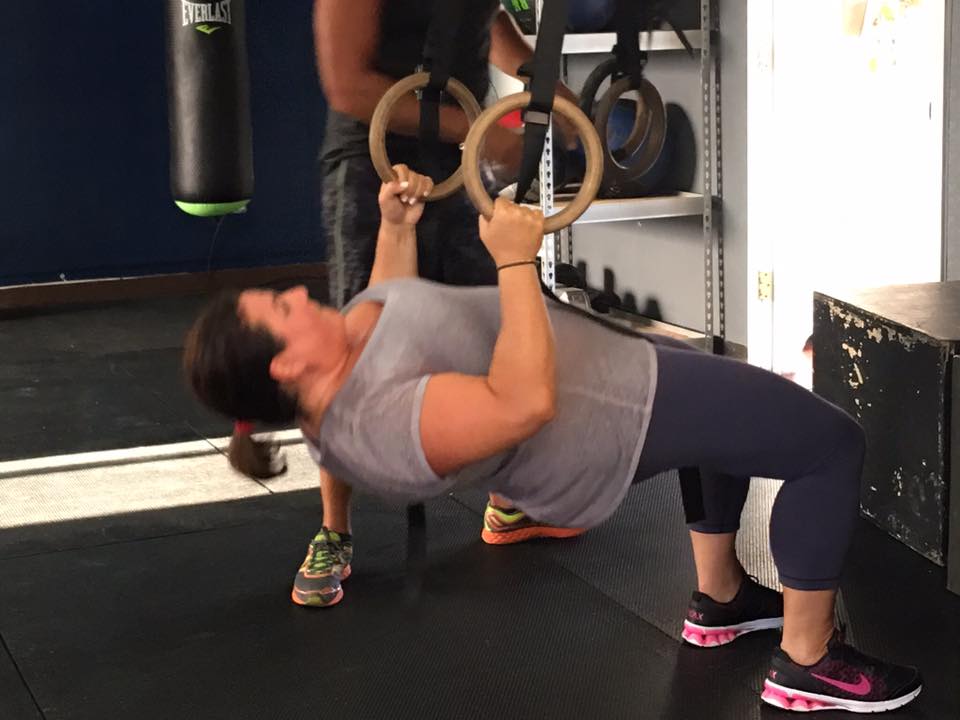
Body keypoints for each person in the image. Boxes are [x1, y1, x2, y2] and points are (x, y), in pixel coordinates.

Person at [185, 170, 922, 714]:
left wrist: (397, 230)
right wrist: (515, 262)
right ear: (287, 366)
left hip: (610, 383)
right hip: (603, 417)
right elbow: (523, 403)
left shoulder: (341, 373)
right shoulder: (372, 428)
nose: (299, 294)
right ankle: (808, 659)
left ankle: (722, 600)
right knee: (829, 444)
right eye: (283, 307)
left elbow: (393, 321)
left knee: (724, 403)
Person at [228, 0, 585, 608]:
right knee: (353, 351)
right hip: (377, 153)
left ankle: (508, 498)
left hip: (462, 149)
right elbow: (348, 86)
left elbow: (486, 16)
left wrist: (543, 82)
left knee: (490, 320)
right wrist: (480, 133)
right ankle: (334, 529)